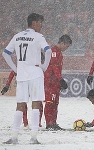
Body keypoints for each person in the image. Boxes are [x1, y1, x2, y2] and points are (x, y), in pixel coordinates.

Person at [2, 13, 52, 144]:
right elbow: (48, 50)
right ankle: (33, 137)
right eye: (40, 22)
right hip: (35, 73)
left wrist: (15, 68)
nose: (41, 25)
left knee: (20, 105)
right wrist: (44, 66)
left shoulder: (17, 36)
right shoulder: (38, 36)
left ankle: (14, 137)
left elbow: (5, 53)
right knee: (36, 104)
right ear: (34, 23)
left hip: (22, 74)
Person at [1, 52, 45, 128]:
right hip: (25, 86)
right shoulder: (25, 65)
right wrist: (7, 86)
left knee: (38, 104)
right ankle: (26, 123)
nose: (42, 62)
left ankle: (37, 123)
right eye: (41, 61)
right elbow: (13, 73)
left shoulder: (39, 68)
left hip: (34, 87)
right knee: (23, 105)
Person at [44, 34, 72, 131]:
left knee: (55, 103)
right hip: (50, 82)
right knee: (50, 102)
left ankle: (54, 123)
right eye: (67, 46)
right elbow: (53, 67)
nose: (66, 48)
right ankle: (48, 124)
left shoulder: (59, 53)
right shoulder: (54, 52)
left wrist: (59, 81)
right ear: (62, 43)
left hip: (55, 83)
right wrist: (60, 79)